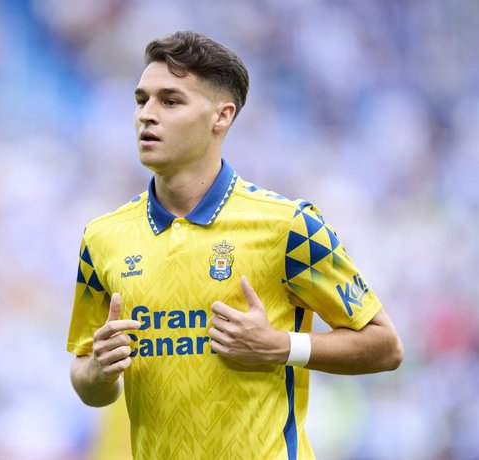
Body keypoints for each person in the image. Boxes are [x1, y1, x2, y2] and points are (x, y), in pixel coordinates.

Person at [67, 30, 404, 459]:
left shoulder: (288, 225)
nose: (146, 115)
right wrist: (97, 371)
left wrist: (281, 346)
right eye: (141, 100)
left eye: (170, 101)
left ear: (221, 117)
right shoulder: (102, 238)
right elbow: (88, 383)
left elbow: (386, 346)